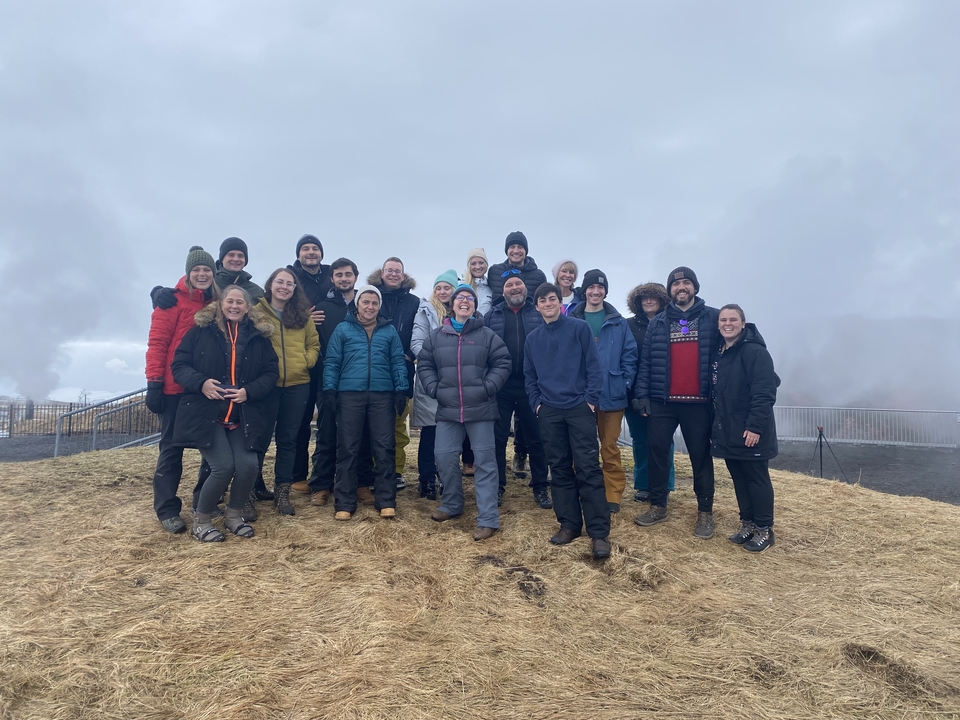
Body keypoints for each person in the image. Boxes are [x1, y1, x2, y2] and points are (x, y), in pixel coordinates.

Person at [171, 286, 279, 542]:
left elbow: (271, 373)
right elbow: (179, 365)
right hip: (207, 414)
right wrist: (201, 383)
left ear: (247, 307)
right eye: (230, 301)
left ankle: (233, 516)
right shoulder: (200, 332)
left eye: (240, 302)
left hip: (242, 413)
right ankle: (202, 521)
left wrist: (248, 392)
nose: (234, 306)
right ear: (221, 304)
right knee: (222, 467)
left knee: (248, 466)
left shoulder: (258, 337)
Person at [524, 283, 611, 559]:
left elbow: (594, 367)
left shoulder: (579, 329)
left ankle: (598, 532)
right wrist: (537, 404)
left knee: (588, 468)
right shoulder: (533, 339)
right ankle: (569, 524)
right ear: (537, 306)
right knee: (559, 468)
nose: (548, 303)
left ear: (560, 303)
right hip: (549, 410)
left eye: (552, 299)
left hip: (579, 408)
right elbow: (529, 376)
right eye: (543, 300)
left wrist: (589, 400)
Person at [417, 283, 511, 541]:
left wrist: (489, 386)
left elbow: (503, 362)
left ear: (474, 306)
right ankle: (452, 504)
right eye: (460, 298)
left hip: (480, 409)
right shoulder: (437, 336)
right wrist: (434, 388)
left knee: (485, 463)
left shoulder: (487, 335)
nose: (465, 301)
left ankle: (488, 518)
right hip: (448, 409)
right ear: (453, 304)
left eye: (470, 298)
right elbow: (425, 363)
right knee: (444, 458)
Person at [633, 266, 720, 539]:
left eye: (686, 283)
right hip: (662, 402)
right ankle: (658, 506)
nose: (681, 287)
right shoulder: (658, 322)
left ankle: (705, 512)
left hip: (699, 403)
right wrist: (642, 396)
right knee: (657, 453)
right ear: (670, 290)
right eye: (676, 284)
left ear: (695, 287)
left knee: (700, 458)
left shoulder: (713, 318)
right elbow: (645, 362)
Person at [145, 246, 219, 534]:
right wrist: (154, 382)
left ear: (213, 274)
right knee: (171, 450)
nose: (202, 274)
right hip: (174, 388)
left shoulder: (217, 303)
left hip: (206, 388)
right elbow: (158, 344)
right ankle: (166, 509)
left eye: (206, 270)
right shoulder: (170, 301)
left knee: (209, 448)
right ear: (188, 273)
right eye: (196, 270)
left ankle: (203, 501)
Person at [323, 285, 409, 520]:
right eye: (365, 302)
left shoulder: (389, 331)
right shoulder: (343, 329)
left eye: (374, 303)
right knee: (348, 448)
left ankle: (386, 499)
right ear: (357, 305)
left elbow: (397, 362)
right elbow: (332, 361)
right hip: (349, 394)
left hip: (382, 395)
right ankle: (345, 501)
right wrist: (329, 389)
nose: (370, 307)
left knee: (384, 447)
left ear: (379, 306)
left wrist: (402, 389)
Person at [711, 304, 780, 553]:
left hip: (750, 431)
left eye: (733, 319)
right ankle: (747, 524)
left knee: (756, 478)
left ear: (743, 323)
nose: (727, 323)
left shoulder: (755, 352)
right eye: (723, 320)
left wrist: (754, 427)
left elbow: (764, 393)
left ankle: (764, 529)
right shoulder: (721, 352)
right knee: (739, 479)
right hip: (729, 430)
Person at [569, 269, 637, 513]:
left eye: (600, 288)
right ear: (584, 290)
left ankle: (612, 494)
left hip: (612, 394)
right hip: (580, 397)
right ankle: (584, 490)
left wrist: (623, 382)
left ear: (605, 291)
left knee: (609, 447)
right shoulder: (573, 319)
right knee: (582, 448)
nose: (596, 292)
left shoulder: (618, 321)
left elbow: (630, 355)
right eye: (591, 288)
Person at [484, 274, 552, 509]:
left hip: (532, 385)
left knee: (537, 438)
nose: (514, 288)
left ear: (526, 288)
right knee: (497, 437)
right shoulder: (491, 316)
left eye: (518, 284)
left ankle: (541, 486)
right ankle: (497, 487)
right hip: (500, 385)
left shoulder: (539, 312)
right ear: (502, 291)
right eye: (509, 285)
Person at [256, 268, 320, 516]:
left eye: (289, 284)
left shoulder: (303, 316)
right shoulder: (256, 313)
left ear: (295, 289)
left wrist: (306, 360)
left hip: (297, 385)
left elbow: (313, 344)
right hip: (265, 387)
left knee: (288, 441)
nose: (284, 287)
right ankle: (251, 490)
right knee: (258, 441)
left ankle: (282, 492)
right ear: (271, 284)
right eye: (279, 282)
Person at [299, 258, 359, 506]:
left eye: (348, 274)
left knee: (358, 434)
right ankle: (321, 484)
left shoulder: (365, 304)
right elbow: (311, 340)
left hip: (358, 380)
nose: (344, 278)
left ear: (356, 276)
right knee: (326, 431)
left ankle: (358, 483)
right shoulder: (322, 307)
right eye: (339, 275)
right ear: (332, 279)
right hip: (329, 379)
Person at [367, 257, 419, 487]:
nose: (393, 274)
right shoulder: (369, 297)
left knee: (398, 424)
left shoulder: (414, 302)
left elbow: (419, 330)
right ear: (382, 273)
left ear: (403, 274)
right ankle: (372, 468)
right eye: (389, 270)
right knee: (372, 424)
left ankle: (396, 470)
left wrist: (409, 353)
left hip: (403, 370)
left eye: (398, 271)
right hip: (373, 369)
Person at [287, 234, 333, 488]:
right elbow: (276, 305)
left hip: (328, 356)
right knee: (300, 419)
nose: (311, 252)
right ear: (298, 254)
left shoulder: (331, 276)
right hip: (301, 355)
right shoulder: (290, 277)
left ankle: (325, 473)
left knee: (328, 418)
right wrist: (304, 317)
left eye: (315, 248)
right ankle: (297, 475)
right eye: (305, 249)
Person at [624, 282, 676, 502]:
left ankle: (666, 484)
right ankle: (643, 484)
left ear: (662, 299)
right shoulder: (627, 325)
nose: (648, 301)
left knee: (664, 440)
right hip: (634, 391)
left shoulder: (671, 323)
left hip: (663, 392)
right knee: (640, 438)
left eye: (652, 297)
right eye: (643, 297)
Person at [410, 270, 457, 499]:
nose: (442, 292)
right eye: (438, 287)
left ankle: (446, 477)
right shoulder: (425, 311)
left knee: (451, 433)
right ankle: (426, 478)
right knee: (430, 432)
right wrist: (438, 362)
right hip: (432, 377)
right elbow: (417, 342)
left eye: (446, 288)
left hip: (456, 380)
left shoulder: (461, 312)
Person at [487, 231, 548, 298]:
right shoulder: (494, 272)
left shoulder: (538, 276)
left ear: (525, 251)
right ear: (507, 251)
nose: (516, 251)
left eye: (520, 247)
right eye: (512, 247)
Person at [463, 248, 493, 315]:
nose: (478, 267)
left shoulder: (491, 287)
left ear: (486, 265)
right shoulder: (461, 287)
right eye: (473, 264)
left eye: (481, 263)